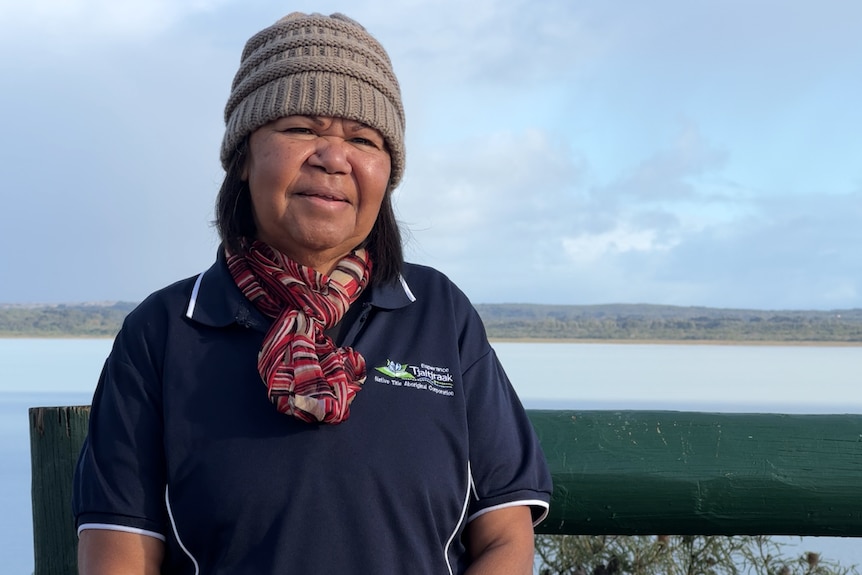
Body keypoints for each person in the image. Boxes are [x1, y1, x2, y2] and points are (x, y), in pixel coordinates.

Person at [72, 11, 552, 575]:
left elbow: (504, 538)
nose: (333, 157)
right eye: (302, 128)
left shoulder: (440, 314)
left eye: (363, 139)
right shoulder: (164, 331)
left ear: (387, 173)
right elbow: (118, 553)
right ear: (244, 156)